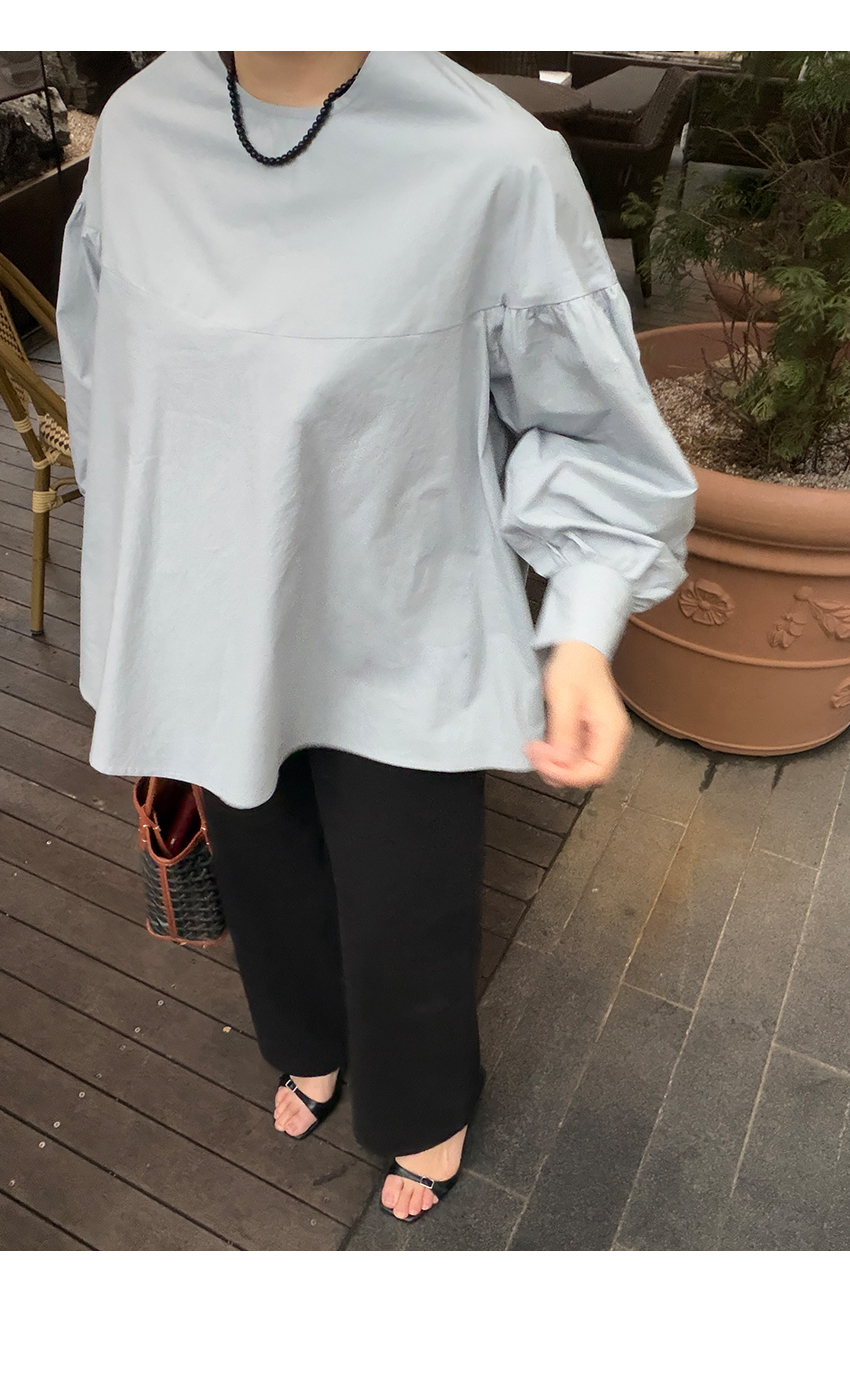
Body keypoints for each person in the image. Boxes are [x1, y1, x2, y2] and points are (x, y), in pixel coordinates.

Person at [55, 50, 697, 1225]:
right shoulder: (142, 132)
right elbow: (105, 376)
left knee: (410, 893)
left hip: (404, 613)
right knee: (259, 856)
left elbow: (586, 426)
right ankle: (304, 1036)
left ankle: (422, 1101)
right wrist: (139, 583)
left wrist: (580, 628)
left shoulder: (491, 162)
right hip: (213, 605)